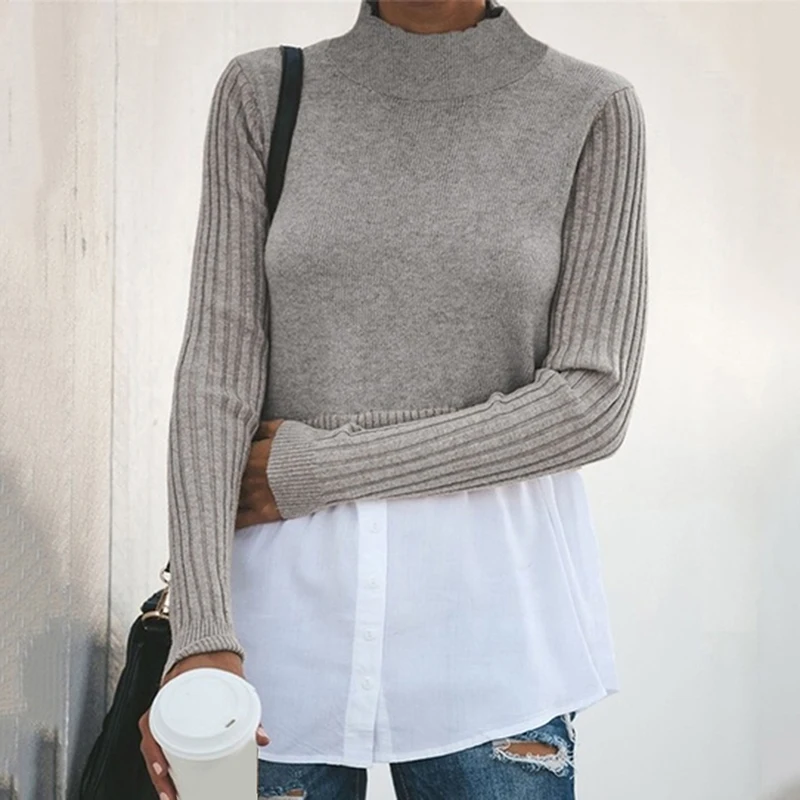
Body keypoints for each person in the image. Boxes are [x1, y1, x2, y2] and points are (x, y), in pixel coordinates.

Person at [139, 0, 648, 797]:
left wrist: (322, 468)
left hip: (493, 646)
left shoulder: (590, 110)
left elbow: (592, 403)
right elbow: (214, 380)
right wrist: (199, 635)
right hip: (275, 648)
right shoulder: (264, 93)